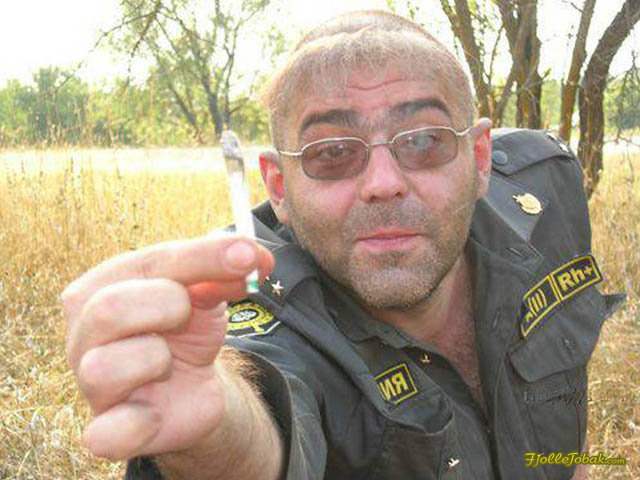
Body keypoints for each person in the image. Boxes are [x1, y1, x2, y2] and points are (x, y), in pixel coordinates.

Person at [62, 10, 625, 480]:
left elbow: (559, 406)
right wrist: (214, 431)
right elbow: (260, 415)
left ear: (479, 158)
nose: (383, 183)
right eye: (331, 152)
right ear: (278, 187)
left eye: (423, 140)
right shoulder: (248, 299)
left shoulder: (545, 187)